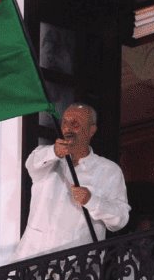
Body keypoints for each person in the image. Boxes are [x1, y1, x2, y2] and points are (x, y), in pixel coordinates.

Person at [15, 103, 130, 260]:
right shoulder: (48, 158)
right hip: (33, 261)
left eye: (75, 124)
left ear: (91, 131)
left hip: (76, 267)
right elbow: (31, 164)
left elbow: (120, 219)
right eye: (65, 123)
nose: (68, 128)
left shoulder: (109, 171)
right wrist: (54, 152)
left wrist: (92, 201)